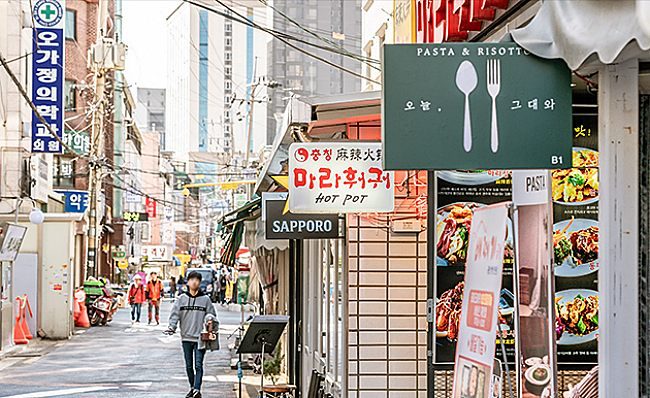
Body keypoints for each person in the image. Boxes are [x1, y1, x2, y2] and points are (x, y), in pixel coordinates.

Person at [164, 271, 217, 398]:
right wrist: (172, 327)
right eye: (192, 279)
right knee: (189, 366)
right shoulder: (181, 299)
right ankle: (193, 388)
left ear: (199, 282)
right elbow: (174, 315)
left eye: (197, 280)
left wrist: (209, 318)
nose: (194, 282)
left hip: (200, 338)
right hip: (186, 337)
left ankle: (197, 390)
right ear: (187, 282)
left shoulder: (205, 300)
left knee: (198, 365)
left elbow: (212, 314)